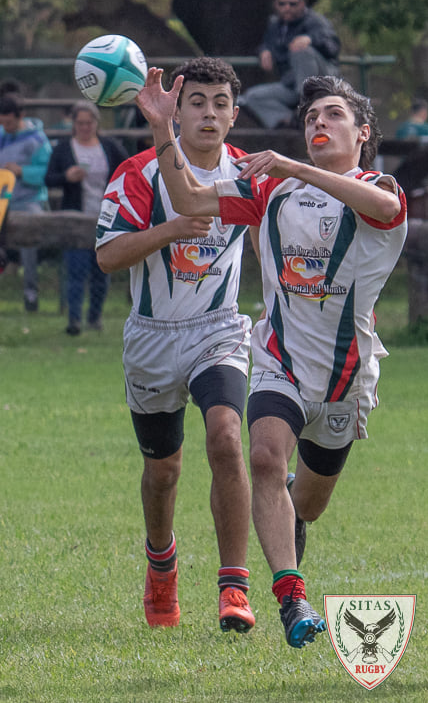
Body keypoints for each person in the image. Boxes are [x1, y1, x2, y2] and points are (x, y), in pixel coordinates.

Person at [137, 71, 407, 649]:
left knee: (308, 500)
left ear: (362, 133)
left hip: (345, 378)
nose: (318, 123)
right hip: (278, 359)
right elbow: (187, 199)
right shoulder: (272, 190)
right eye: (311, 117)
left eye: (332, 115)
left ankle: (288, 504)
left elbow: (384, 207)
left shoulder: (377, 185)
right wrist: (163, 128)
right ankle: (291, 597)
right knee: (260, 456)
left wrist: (295, 167)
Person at [95, 58, 256, 633]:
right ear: (177, 109)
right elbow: (107, 256)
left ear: (234, 117)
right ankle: (160, 565)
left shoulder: (248, 176)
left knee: (227, 438)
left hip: (219, 330)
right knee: (163, 471)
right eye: (197, 102)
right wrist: (165, 232)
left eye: (220, 103)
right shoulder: (138, 173)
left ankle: (233, 586)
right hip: (152, 339)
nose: (208, 113)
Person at [45, 100, 128, 332]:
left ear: (96, 123)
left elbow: (128, 172)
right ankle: (74, 320)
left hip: (106, 218)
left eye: (88, 123)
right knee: (76, 270)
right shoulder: (63, 148)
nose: (84, 127)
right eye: (80, 123)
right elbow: (48, 179)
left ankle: (95, 318)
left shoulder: (109, 146)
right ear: (74, 125)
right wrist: (67, 177)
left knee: (102, 270)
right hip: (75, 217)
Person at [0, 93, 53, 312]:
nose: (5, 127)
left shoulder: (37, 140)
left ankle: (31, 294)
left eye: (9, 122)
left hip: (27, 200)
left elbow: (47, 171)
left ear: (21, 116)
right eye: (2, 122)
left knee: (29, 244)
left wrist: (22, 171)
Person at [239, 0, 340, 130]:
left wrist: (311, 39)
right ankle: (291, 121)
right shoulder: (275, 25)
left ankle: (307, 104)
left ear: (302, 4)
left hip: (322, 83)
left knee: (301, 51)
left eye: (292, 4)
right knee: (252, 96)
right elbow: (267, 43)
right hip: (291, 84)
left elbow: (333, 46)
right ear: (276, 5)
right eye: (282, 4)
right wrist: (264, 50)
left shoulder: (314, 21)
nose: (287, 7)